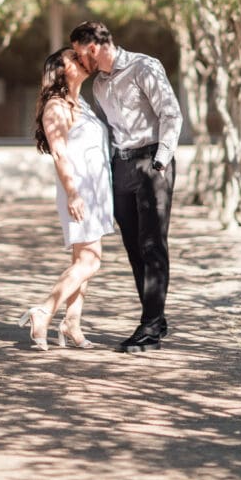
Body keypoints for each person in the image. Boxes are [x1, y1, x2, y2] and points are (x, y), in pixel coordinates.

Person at [70, 20, 182, 354]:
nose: (78, 62)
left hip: (152, 161)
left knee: (152, 245)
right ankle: (156, 318)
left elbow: (171, 114)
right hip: (121, 167)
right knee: (134, 249)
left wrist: (160, 161)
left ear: (93, 48)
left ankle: (149, 328)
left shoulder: (143, 67)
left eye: (79, 55)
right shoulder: (99, 86)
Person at [18, 47, 114, 351]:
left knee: (81, 260)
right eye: (73, 59)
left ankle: (72, 323)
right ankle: (43, 311)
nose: (81, 60)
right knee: (91, 261)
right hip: (79, 190)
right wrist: (73, 192)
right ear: (60, 71)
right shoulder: (56, 107)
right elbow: (59, 153)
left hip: (97, 190)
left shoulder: (81, 103)